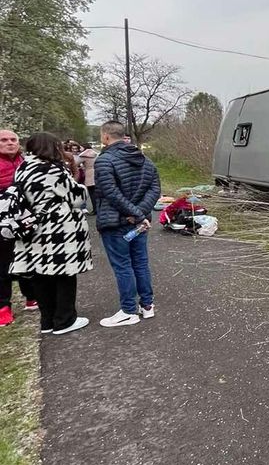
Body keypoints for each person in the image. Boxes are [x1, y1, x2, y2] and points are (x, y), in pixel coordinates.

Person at [10, 133, 92, 335]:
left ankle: (47, 320)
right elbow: (76, 197)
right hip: (58, 228)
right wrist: (81, 187)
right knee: (64, 273)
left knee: (41, 274)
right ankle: (64, 319)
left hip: (33, 226)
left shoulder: (23, 167)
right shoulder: (52, 168)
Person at [95, 121, 160, 327]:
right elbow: (155, 188)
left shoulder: (104, 160)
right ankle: (147, 306)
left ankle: (128, 310)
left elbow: (110, 192)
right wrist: (140, 214)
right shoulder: (144, 159)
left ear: (106, 137)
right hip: (139, 223)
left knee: (123, 266)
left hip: (116, 223)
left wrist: (133, 214)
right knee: (140, 263)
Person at [0, 129, 39, 326]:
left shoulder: (24, 162)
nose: (10, 143)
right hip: (2, 220)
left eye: (13, 139)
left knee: (26, 257)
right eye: (4, 140)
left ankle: (31, 296)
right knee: (3, 265)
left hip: (24, 217)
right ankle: (3, 307)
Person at [77, 142, 99, 213]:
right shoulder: (94, 153)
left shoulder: (84, 155)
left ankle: (95, 209)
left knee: (91, 193)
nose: (79, 149)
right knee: (96, 193)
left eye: (80, 147)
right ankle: (97, 208)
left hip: (89, 173)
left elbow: (76, 163)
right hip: (96, 172)